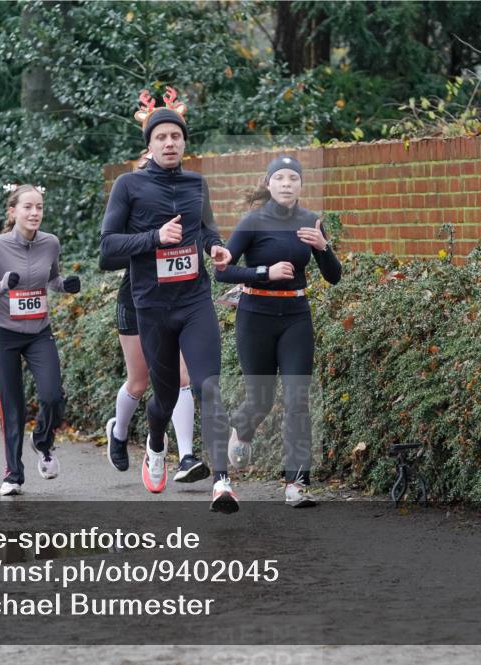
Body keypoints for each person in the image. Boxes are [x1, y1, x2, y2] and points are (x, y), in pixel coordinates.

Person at [99, 87, 238, 513]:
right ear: (150, 145)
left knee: (207, 386)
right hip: (152, 306)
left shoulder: (198, 184)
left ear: (184, 142)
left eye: (176, 136)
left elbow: (208, 230)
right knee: (161, 398)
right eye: (161, 137)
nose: (170, 143)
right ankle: (155, 443)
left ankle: (222, 482)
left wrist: (217, 248)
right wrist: (155, 238)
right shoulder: (129, 186)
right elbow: (106, 251)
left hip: (194, 301)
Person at [214, 155, 342, 507]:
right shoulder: (252, 222)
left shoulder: (310, 222)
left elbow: (333, 276)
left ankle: (296, 484)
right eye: (280, 178)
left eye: (293, 178)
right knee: (262, 399)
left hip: (296, 316)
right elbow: (222, 273)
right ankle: (242, 428)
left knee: (297, 398)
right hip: (256, 315)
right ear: (268, 184)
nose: (287, 184)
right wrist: (263, 273)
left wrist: (322, 247)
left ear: (301, 185)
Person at [0, 184, 81, 496]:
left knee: (52, 396)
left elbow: (53, 280)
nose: (35, 213)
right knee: (13, 407)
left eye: (39, 208)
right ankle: (13, 475)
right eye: (28, 207)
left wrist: (66, 285)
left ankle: (42, 442)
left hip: (38, 333)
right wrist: (5, 285)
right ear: (13, 212)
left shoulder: (51, 243)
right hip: (3, 333)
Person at [99, 247, 210, 483]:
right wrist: (151, 244)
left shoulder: (185, 212)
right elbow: (108, 256)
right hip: (136, 304)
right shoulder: (133, 212)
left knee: (181, 377)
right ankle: (118, 432)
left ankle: (186, 457)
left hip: (177, 303)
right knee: (139, 383)